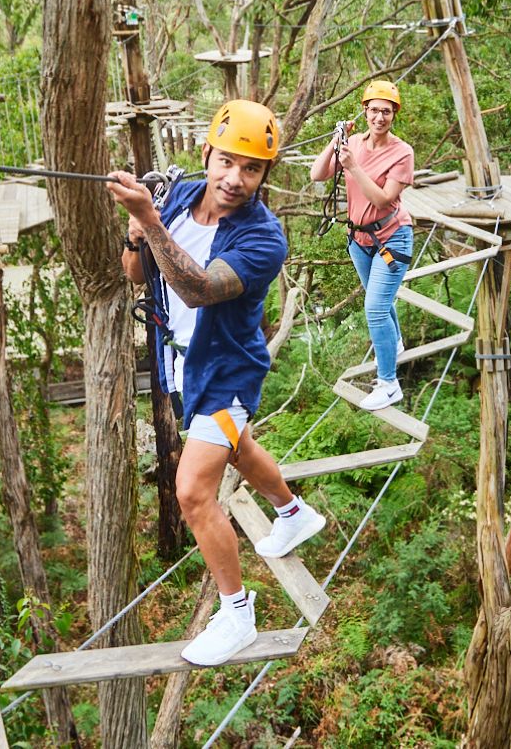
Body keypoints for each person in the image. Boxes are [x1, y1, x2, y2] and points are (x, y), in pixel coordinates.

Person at [107, 99, 326, 666]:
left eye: (251, 169)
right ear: (206, 153)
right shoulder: (178, 198)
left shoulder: (263, 239)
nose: (235, 179)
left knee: (192, 491)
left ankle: (237, 614)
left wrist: (150, 223)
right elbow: (137, 275)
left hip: (228, 373)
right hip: (185, 366)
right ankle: (296, 513)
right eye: (227, 162)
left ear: (264, 176)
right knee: (235, 447)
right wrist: (138, 232)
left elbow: (201, 288)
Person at [311, 80, 416, 411]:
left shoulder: (402, 152)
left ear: (394, 114)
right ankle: (394, 342)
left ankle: (389, 383)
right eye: (374, 110)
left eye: (386, 111)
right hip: (359, 240)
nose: (380, 117)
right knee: (380, 304)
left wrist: (353, 166)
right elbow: (318, 174)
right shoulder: (353, 143)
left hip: (392, 237)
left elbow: (385, 199)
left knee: (375, 309)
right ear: (365, 111)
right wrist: (336, 141)